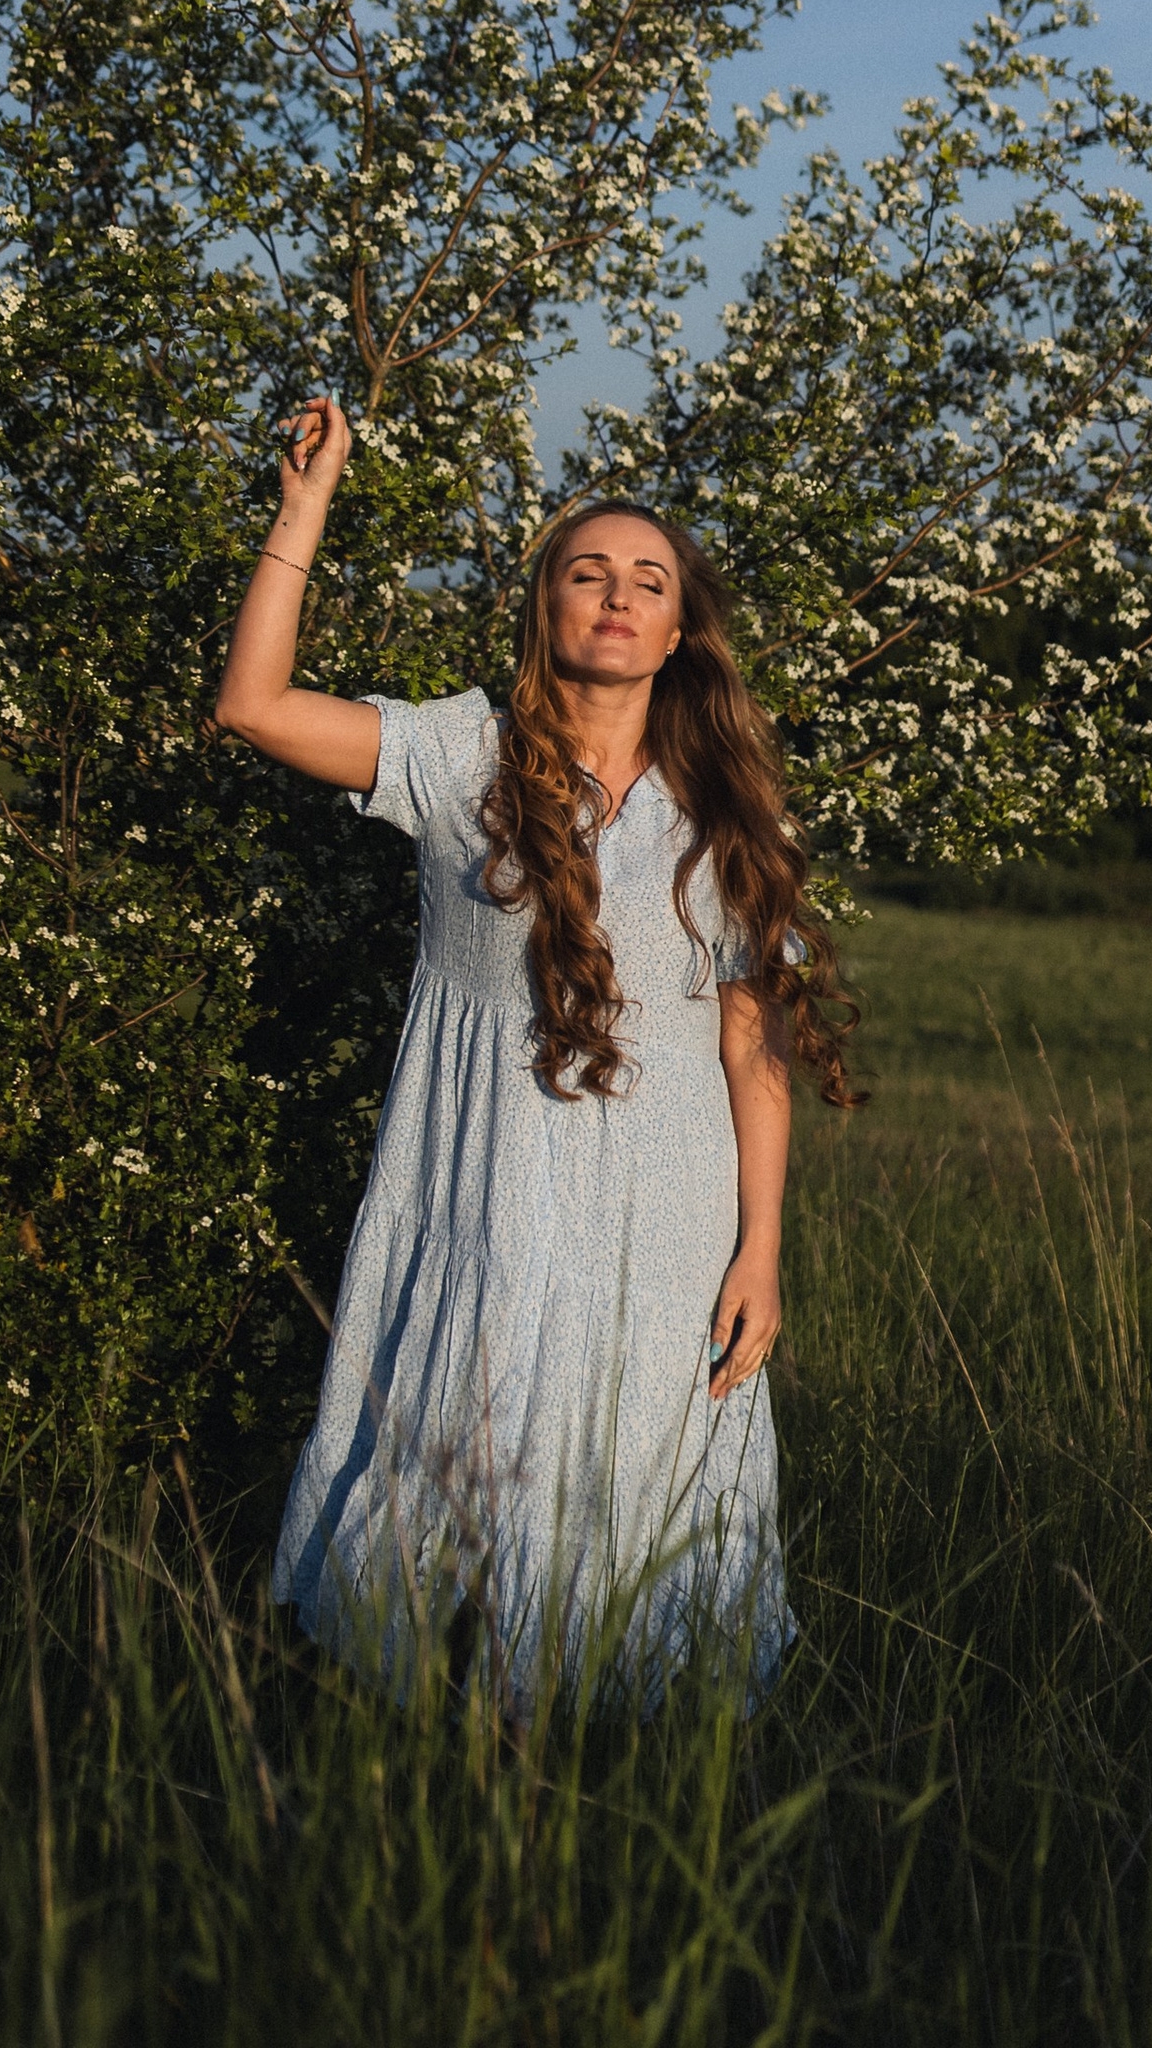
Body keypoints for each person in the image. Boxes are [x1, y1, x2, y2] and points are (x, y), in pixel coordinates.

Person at [215, 398, 858, 1697]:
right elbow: (255, 704)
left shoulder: (731, 816)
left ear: (680, 631)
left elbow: (754, 1054)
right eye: (586, 573)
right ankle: (449, 1748)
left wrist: (764, 1247)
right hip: (482, 1202)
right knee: (468, 1459)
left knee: (643, 1477)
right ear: (544, 612)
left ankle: (625, 1766)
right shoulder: (463, 755)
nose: (617, 597)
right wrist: (303, 509)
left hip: (667, 1224)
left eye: (647, 581)